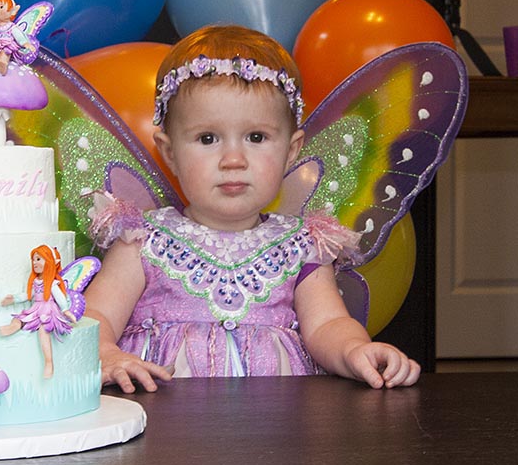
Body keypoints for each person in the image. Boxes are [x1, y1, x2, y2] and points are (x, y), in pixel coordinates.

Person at [83, 25, 421, 393]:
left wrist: (356, 350)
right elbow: (96, 314)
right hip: (165, 421)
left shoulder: (302, 244)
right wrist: (105, 353)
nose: (233, 159)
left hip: (276, 423)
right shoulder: (141, 240)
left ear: (291, 151)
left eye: (256, 138)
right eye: (207, 138)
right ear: (170, 153)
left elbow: (327, 325)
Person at [0, 244, 78, 378]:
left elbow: (60, 298)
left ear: (49, 261)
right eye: (34, 260)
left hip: (48, 309)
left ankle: (49, 362)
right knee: (19, 317)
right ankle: (13, 327)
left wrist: (66, 311)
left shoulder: (52, 283)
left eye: (39, 259)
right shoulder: (36, 281)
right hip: (36, 308)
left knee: (43, 329)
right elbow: (28, 295)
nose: (35, 263)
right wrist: (13, 299)